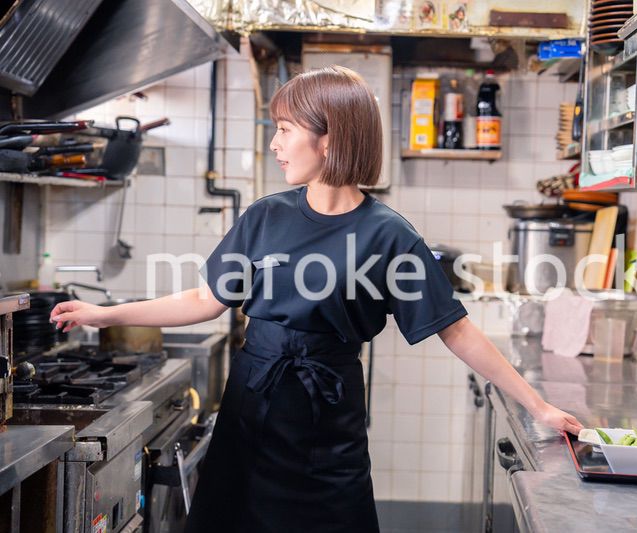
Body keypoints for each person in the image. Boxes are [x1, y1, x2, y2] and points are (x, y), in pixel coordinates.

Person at [50, 66, 583, 533]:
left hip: (326, 420)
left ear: (329, 139)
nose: (275, 144)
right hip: (250, 407)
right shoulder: (264, 216)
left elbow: (455, 327)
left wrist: (536, 405)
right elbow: (205, 299)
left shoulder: (389, 236)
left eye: (285, 130)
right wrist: (105, 312)